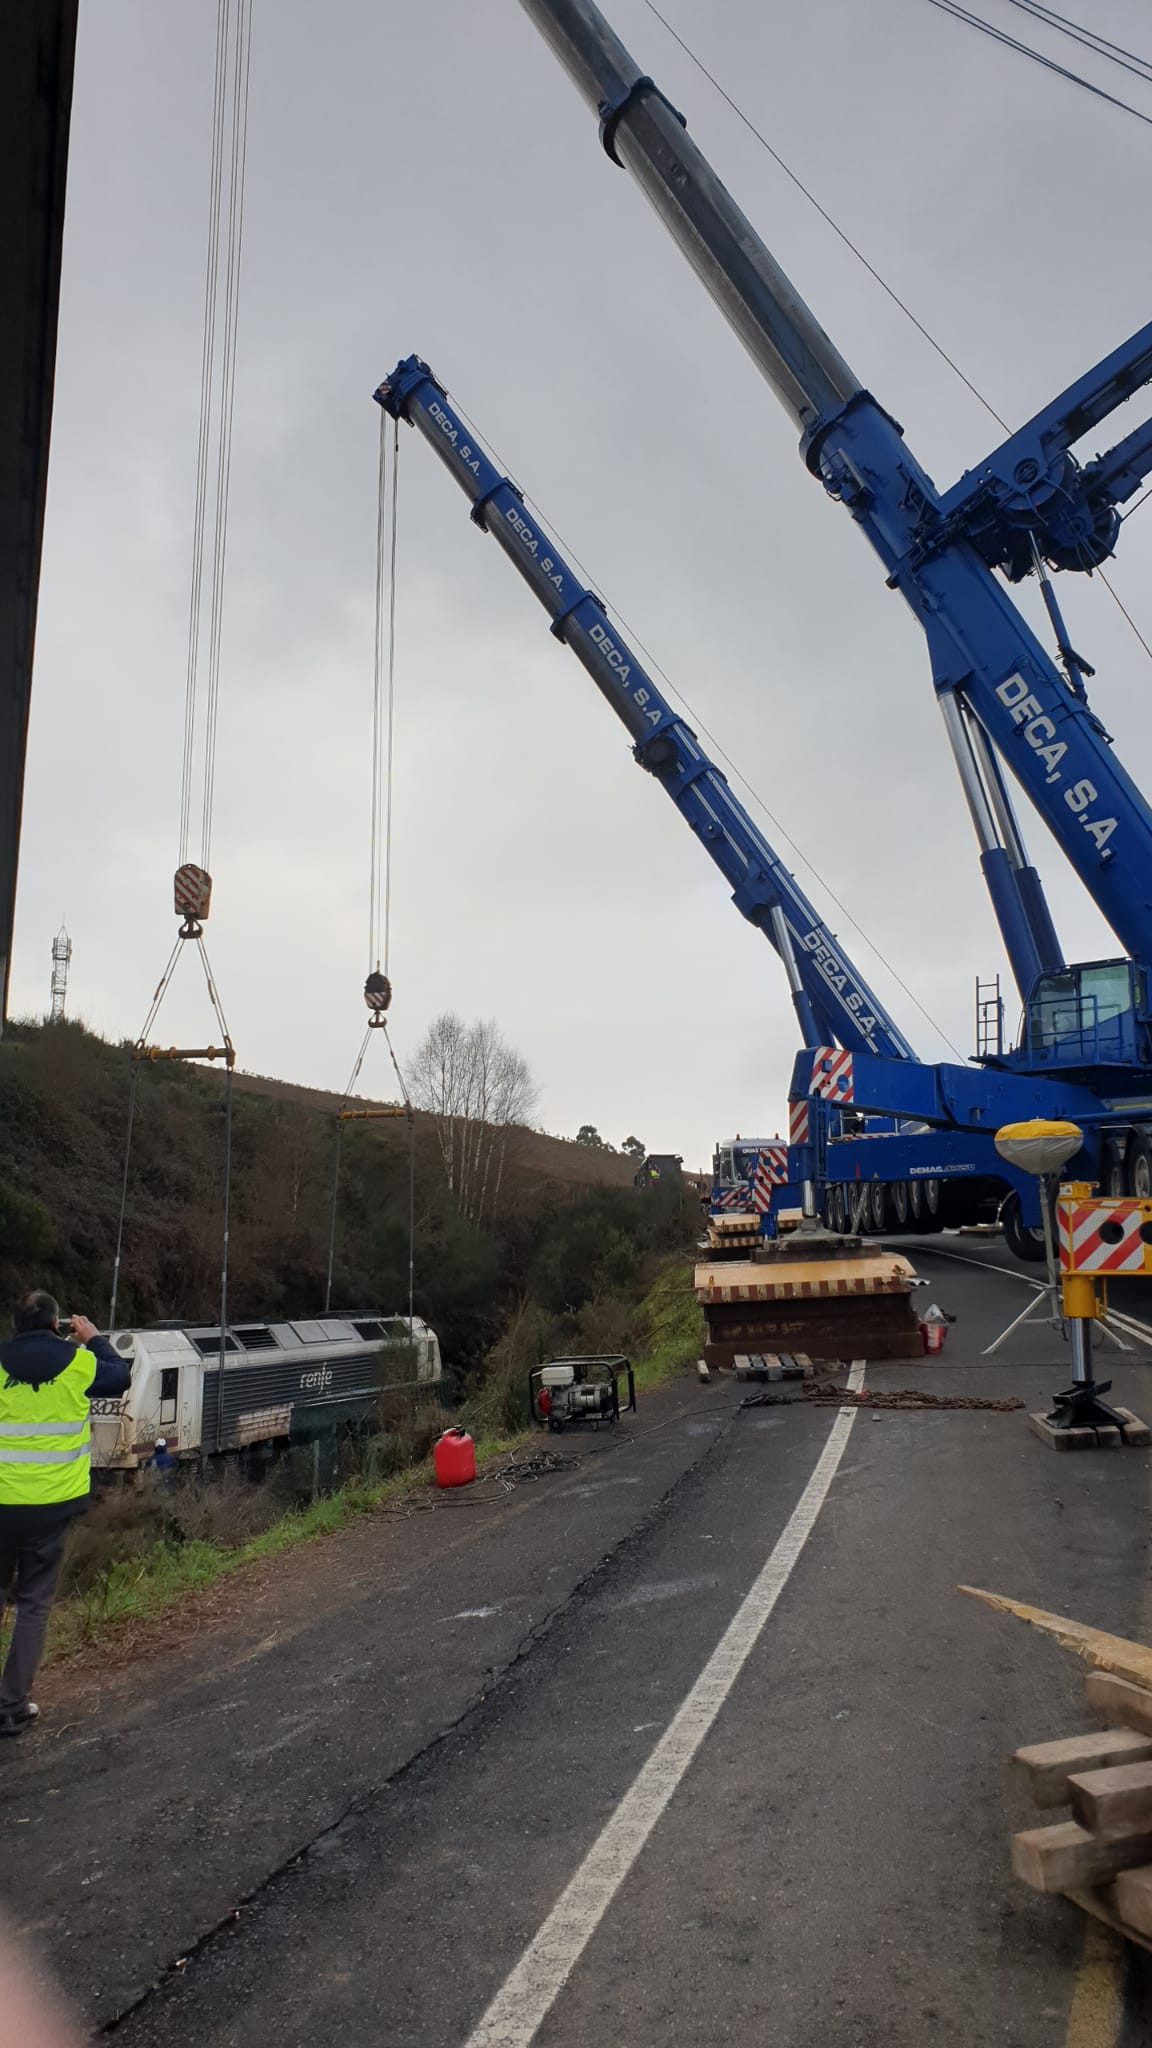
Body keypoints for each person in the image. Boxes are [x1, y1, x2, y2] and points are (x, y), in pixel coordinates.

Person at [0, 1290, 130, 1737]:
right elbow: (120, 1377)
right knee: (33, 1604)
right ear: (57, 1325)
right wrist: (94, 1338)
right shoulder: (78, 1363)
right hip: (52, 1506)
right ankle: (10, 1707)